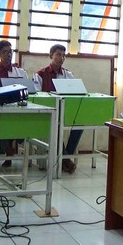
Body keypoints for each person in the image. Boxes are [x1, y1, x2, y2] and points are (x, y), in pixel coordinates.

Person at [33, 44, 81, 174]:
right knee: (56, 125)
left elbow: (76, 92)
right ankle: (66, 161)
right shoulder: (40, 74)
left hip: (66, 111)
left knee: (80, 124)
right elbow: (37, 96)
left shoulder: (68, 74)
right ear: (51, 56)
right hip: (47, 112)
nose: (61, 58)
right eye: (58, 54)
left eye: (63, 55)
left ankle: (66, 155)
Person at [0, 40, 28, 167]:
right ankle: (8, 150)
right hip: (0, 110)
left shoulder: (20, 72)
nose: (9, 55)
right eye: (5, 52)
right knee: (0, 123)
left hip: (18, 110)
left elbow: (27, 90)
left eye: (10, 52)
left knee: (21, 122)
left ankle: (11, 148)